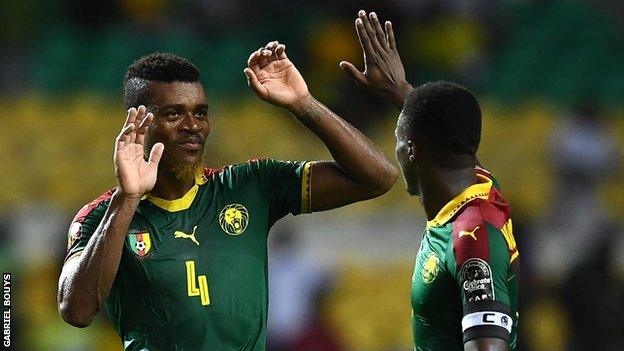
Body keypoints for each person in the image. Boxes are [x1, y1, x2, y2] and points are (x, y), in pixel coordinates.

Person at [57, 43, 398, 350]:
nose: (193, 125)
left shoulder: (249, 186)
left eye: (201, 113)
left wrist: (303, 104)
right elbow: (77, 311)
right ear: (140, 123)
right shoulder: (101, 217)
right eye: (174, 114)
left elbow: (378, 178)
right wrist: (127, 199)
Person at [340, 10, 519, 351]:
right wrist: (398, 90)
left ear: (412, 150)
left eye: (396, 139)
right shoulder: (480, 186)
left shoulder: (472, 237)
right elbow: (447, 131)